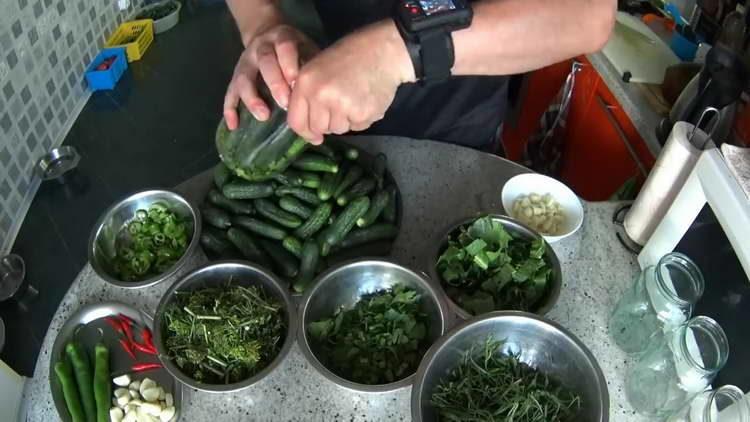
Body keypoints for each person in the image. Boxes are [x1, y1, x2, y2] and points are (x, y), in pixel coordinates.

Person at [223, 0, 616, 150]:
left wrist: (395, 52)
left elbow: (587, 13)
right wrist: (262, 24)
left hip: (457, 136)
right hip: (328, 117)